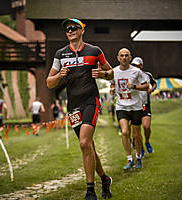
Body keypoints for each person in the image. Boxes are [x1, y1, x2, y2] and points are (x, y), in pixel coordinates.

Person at [46, 18, 113, 200]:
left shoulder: (94, 51)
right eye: (67, 29)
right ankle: (105, 179)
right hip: (73, 105)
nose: (70, 30)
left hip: (91, 100)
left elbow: (111, 73)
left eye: (74, 27)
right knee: (88, 146)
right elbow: (49, 83)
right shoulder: (60, 54)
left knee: (84, 143)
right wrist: (59, 75)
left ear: (82, 30)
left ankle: (90, 190)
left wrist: (102, 74)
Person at [110, 48, 149, 170]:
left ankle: (138, 157)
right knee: (125, 132)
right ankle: (129, 159)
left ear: (130, 57)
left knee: (136, 134)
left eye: (126, 55)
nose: (124, 58)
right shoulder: (114, 71)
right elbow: (112, 83)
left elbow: (146, 86)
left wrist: (135, 86)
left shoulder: (136, 71)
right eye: (122, 55)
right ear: (118, 58)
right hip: (121, 106)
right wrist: (112, 89)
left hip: (136, 106)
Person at [131, 57, 157, 156]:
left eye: (137, 65)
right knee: (136, 131)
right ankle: (140, 148)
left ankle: (147, 142)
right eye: (133, 65)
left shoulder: (147, 75)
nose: (135, 67)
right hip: (134, 105)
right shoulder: (130, 75)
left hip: (145, 104)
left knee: (146, 127)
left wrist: (152, 89)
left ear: (141, 66)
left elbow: (154, 83)